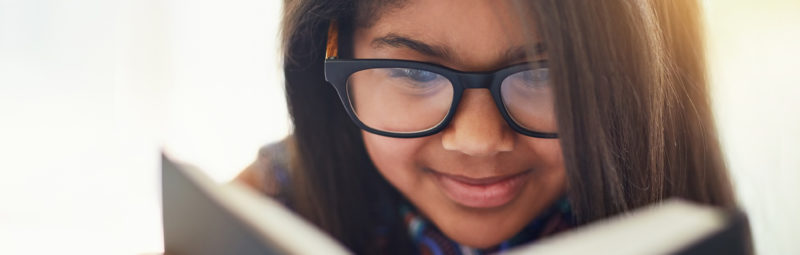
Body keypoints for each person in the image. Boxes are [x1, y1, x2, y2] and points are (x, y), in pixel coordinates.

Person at [236, 0, 739, 254]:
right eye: (413, 72)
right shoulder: (272, 205)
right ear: (329, 50)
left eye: (545, 75)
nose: (478, 140)